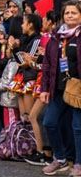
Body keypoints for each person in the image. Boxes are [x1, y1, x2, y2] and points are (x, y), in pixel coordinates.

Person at [40, 0, 81, 177]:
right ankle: (60, 158)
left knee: (78, 127)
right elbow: (47, 64)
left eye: (74, 12)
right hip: (58, 88)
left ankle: (78, 164)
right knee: (49, 122)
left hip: (78, 90)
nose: (70, 16)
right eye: (67, 13)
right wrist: (44, 89)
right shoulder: (56, 37)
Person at [23, 11, 59, 166]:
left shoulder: (51, 39)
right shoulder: (47, 38)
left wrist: (31, 62)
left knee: (35, 116)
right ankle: (45, 152)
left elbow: (45, 66)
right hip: (43, 81)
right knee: (37, 117)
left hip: (48, 82)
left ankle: (45, 153)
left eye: (45, 19)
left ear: (50, 22)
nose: (43, 22)